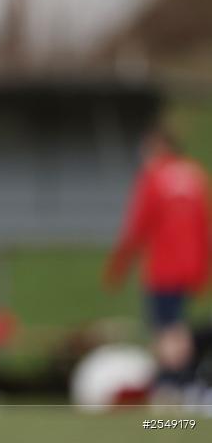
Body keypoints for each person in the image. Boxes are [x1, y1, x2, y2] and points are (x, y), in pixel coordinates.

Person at [104, 128, 210, 391]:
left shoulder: (154, 178)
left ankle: (175, 381)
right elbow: (204, 226)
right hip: (189, 267)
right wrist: (202, 271)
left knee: (165, 329)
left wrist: (118, 267)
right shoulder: (194, 176)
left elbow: (137, 226)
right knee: (176, 325)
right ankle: (182, 380)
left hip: (164, 267)